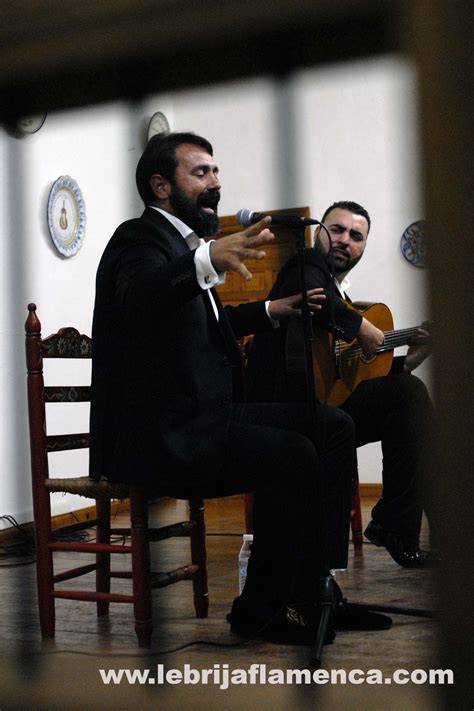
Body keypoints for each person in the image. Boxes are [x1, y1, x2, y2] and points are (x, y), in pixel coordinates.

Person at [89, 137, 391, 644]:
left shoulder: (182, 251)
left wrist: (272, 311)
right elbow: (136, 299)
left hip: (207, 415)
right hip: (163, 433)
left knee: (332, 425)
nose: (216, 184)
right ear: (160, 186)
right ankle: (264, 610)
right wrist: (206, 259)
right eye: (201, 173)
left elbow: (199, 326)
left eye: (216, 172)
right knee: (293, 453)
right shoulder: (138, 240)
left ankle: (318, 587)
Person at [245, 200, 438, 568]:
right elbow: (316, 300)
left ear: (363, 247)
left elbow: (364, 375)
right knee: (410, 398)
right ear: (318, 232)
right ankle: (396, 524)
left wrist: (415, 355)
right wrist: (361, 326)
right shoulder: (304, 266)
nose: (344, 240)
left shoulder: (342, 294)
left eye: (356, 236)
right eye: (336, 229)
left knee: (410, 403)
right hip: (285, 410)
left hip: (325, 407)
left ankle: (397, 523)